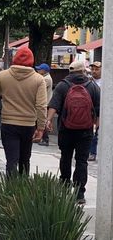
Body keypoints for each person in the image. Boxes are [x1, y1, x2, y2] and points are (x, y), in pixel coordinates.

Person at [0, 47, 47, 176]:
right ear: (32, 61)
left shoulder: (3, 75)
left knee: (11, 161)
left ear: (15, 59)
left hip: (9, 124)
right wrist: (41, 128)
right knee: (25, 160)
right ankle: (22, 190)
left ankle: (10, 191)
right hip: (28, 125)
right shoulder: (39, 79)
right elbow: (41, 106)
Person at [45, 60, 100, 205]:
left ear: (70, 72)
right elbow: (99, 109)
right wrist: (96, 127)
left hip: (66, 129)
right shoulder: (92, 86)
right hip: (86, 131)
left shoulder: (63, 85)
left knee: (66, 157)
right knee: (82, 161)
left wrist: (48, 120)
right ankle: (79, 193)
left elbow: (54, 105)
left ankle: (64, 188)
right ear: (83, 71)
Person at [35, 63, 53, 146]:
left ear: (44, 70)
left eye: (39, 69)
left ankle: (45, 139)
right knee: (39, 119)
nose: (38, 71)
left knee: (42, 120)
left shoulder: (46, 79)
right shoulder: (44, 77)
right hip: (44, 103)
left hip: (45, 103)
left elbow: (37, 88)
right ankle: (38, 136)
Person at [89, 61, 102, 161]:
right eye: (92, 69)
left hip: (101, 110)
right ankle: (91, 152)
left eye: (97, 69)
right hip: (90, 110)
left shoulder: (106, 81)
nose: (94, 71)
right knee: (92, 132)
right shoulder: (88, 81)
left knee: (97, 132)